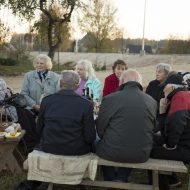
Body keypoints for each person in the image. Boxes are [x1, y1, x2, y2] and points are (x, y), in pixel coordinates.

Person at [96, 69, 157, 182]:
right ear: (139, 82)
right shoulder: (151, 101)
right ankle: (121, 178)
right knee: (131, 143)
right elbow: (153, 127)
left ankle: (110, 179)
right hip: (141, 153)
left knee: (98, 142)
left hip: (111, 151)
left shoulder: (110, 99)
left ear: (122, 81)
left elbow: (100, 128)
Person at [37, 70, 96, 155]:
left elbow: (39, 129)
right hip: (76, 149)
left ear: (60, 83)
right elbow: (90, 137)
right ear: (77, 86)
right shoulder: (86, 104)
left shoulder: (46, 101)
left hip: (49, 147)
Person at [151, 73, 190, 189]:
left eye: (165, 87)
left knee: (149, 151)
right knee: (152, 140)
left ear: (172, 87)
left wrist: (169, 144)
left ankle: (161, 186)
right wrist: (162, 112)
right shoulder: (182, 95)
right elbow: (163, 129)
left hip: (185, 148)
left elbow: (176, 122)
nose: (163, 90)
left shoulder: (181, 96)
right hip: (184, 143)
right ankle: (171, 180)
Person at [19, 54, 60, 152]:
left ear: (47, 65)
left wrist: (47, 106)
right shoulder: (28, 76)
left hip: (49, 108)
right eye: (37, 63)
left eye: (42, 63)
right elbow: (23, 93)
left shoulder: (56, 77)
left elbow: (58, 95)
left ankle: (48, 144)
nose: (39, 65)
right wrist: (34, 105)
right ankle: (32, 144)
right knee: (24, 116)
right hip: (32, 107)